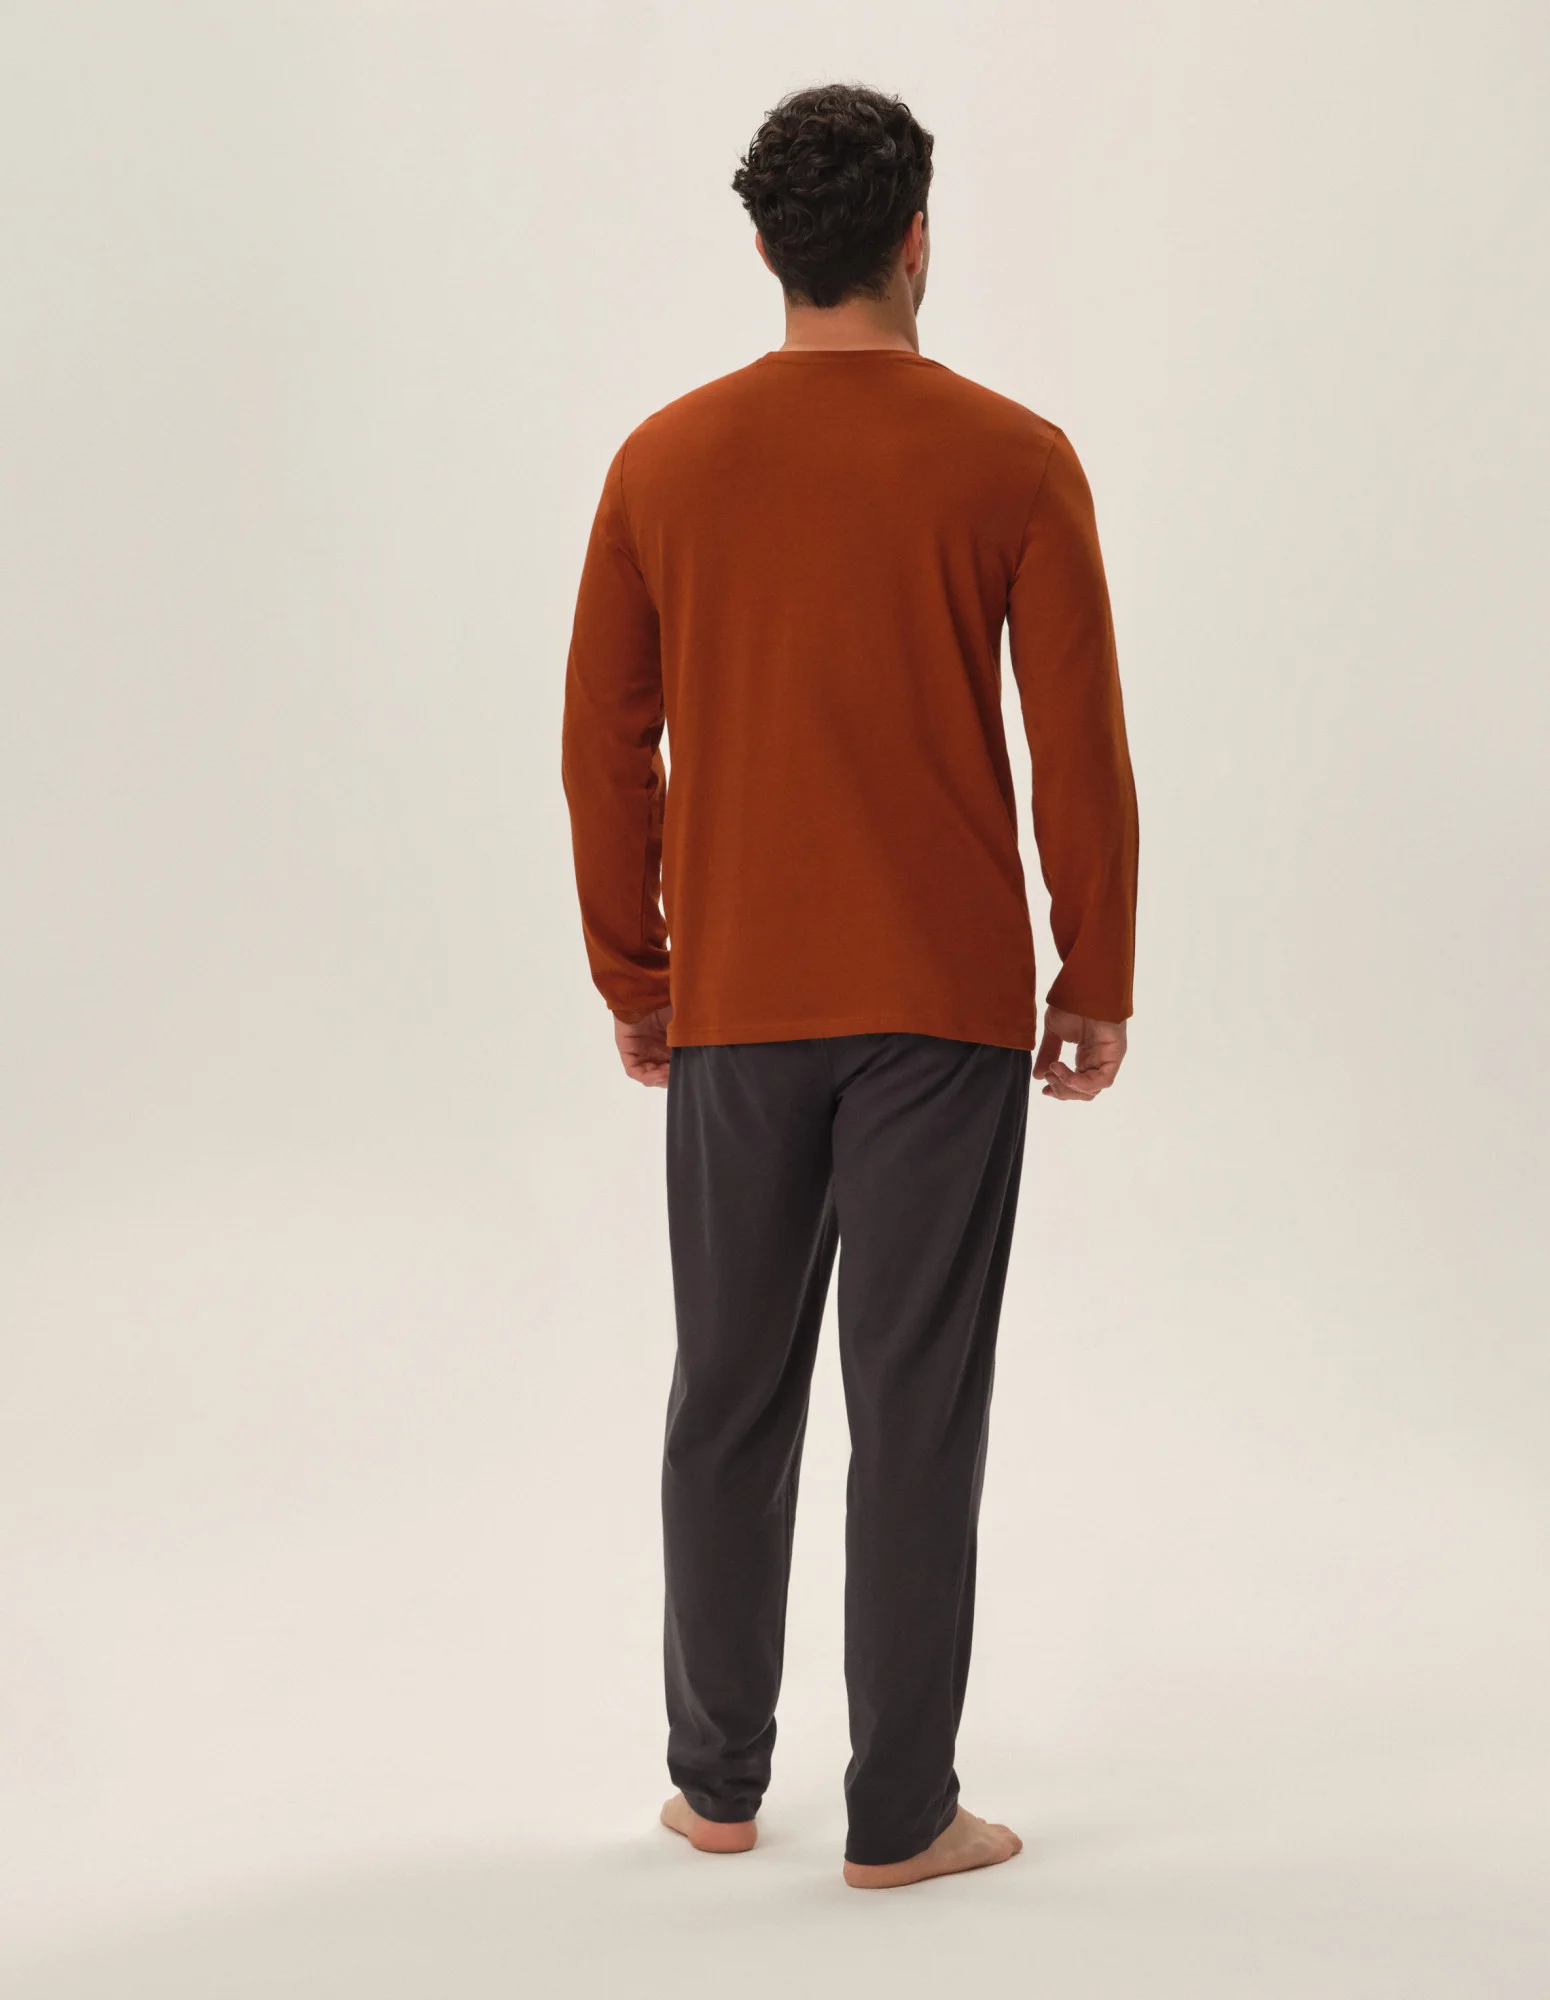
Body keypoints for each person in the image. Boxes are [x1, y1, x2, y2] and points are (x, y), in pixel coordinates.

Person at [561, 82, 1138, 1890]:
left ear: (763, 247)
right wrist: (1094, 968)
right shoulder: (1013, 458)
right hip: (944, 1007)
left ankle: (717, 1786)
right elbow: (1079, 748)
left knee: (727, 1393)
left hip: (736, 997)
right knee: (915, 1410)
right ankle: (900, 1816)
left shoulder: (663, 460)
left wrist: (636, 969)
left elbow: (602, 748)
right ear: (913, 239)